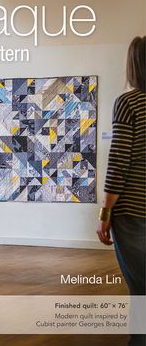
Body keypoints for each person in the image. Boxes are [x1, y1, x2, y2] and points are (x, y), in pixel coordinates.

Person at [97, 36, 145, 345]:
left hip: (133, 211)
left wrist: (105, 212)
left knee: (140, 288)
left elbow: (119, 162)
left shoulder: (129, 103)